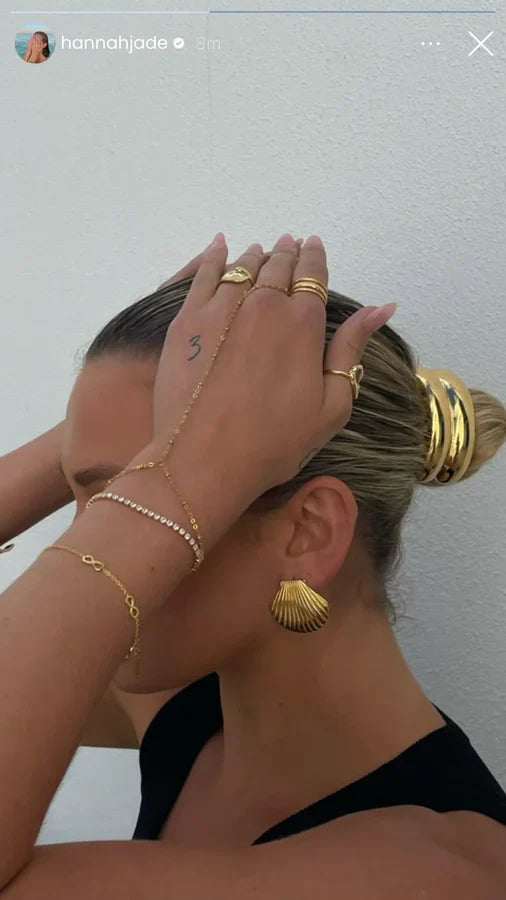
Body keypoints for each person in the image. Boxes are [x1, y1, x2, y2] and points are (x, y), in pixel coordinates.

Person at [0, 233, 505, 898]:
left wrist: (167, 461)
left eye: (126, 503)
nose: (89, 540)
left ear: (306, 533)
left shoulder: (442, 872)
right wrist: (101, 419)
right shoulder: (173, 705)